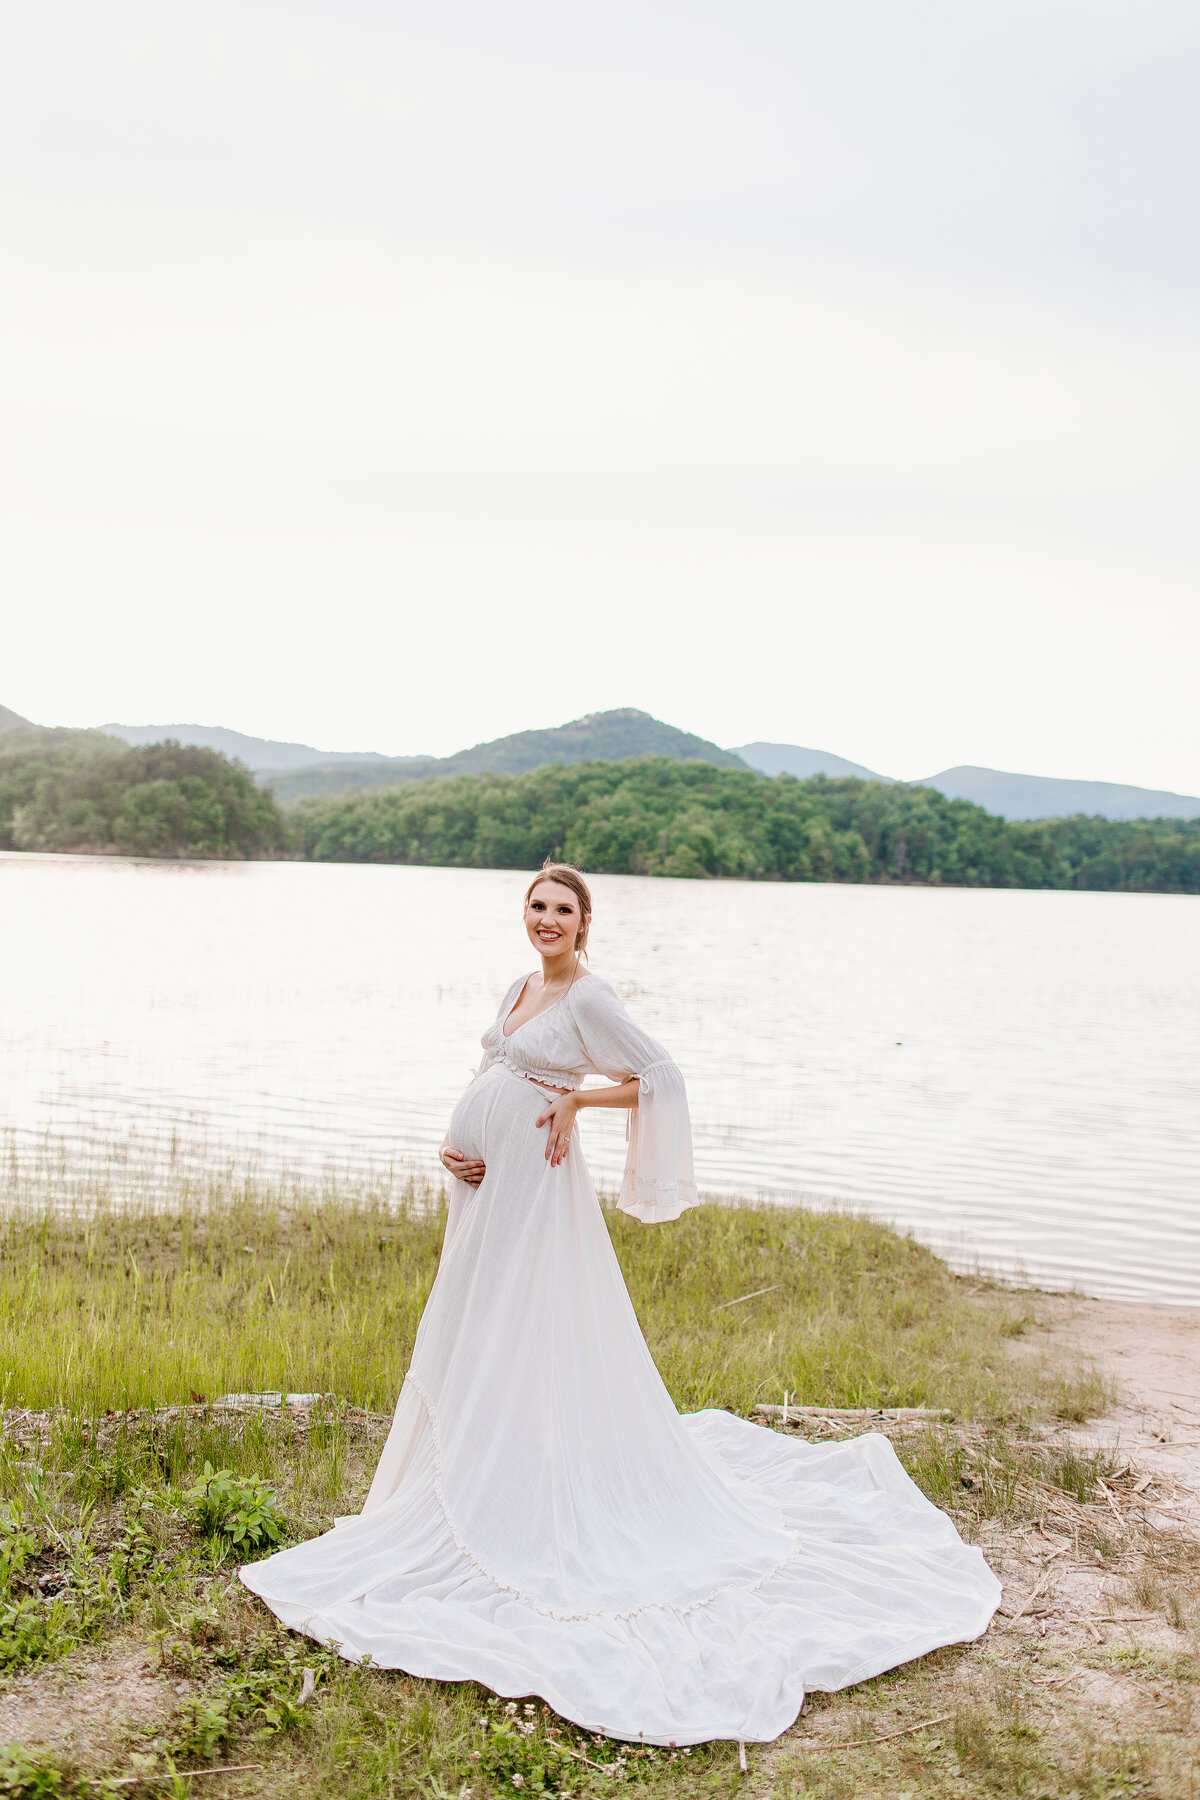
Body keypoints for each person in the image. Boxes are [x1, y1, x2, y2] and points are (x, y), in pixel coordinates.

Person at [241, 861, 999, 1746]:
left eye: (562, 909)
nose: (546, 919)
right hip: (486, 1186)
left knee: (524, 1332)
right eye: (536, 906)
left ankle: (526, 1493)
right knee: (474, 1329)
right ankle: (473, 1470)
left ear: (585, 919)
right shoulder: (521, 983)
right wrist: (459, 1147)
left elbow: (659, 1075)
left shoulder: (590, 997)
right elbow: (495, 1074)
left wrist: (576, 1099)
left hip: (537, 1188)